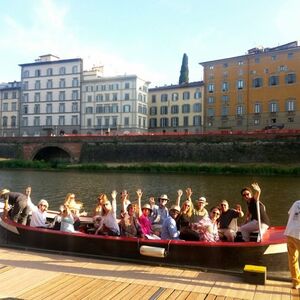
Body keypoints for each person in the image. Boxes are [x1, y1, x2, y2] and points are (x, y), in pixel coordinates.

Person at [284, 200, 300, 289]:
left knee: (293, 259)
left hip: (290, 232)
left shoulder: (296, 203)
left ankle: (296, 283)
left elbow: (290, 214)